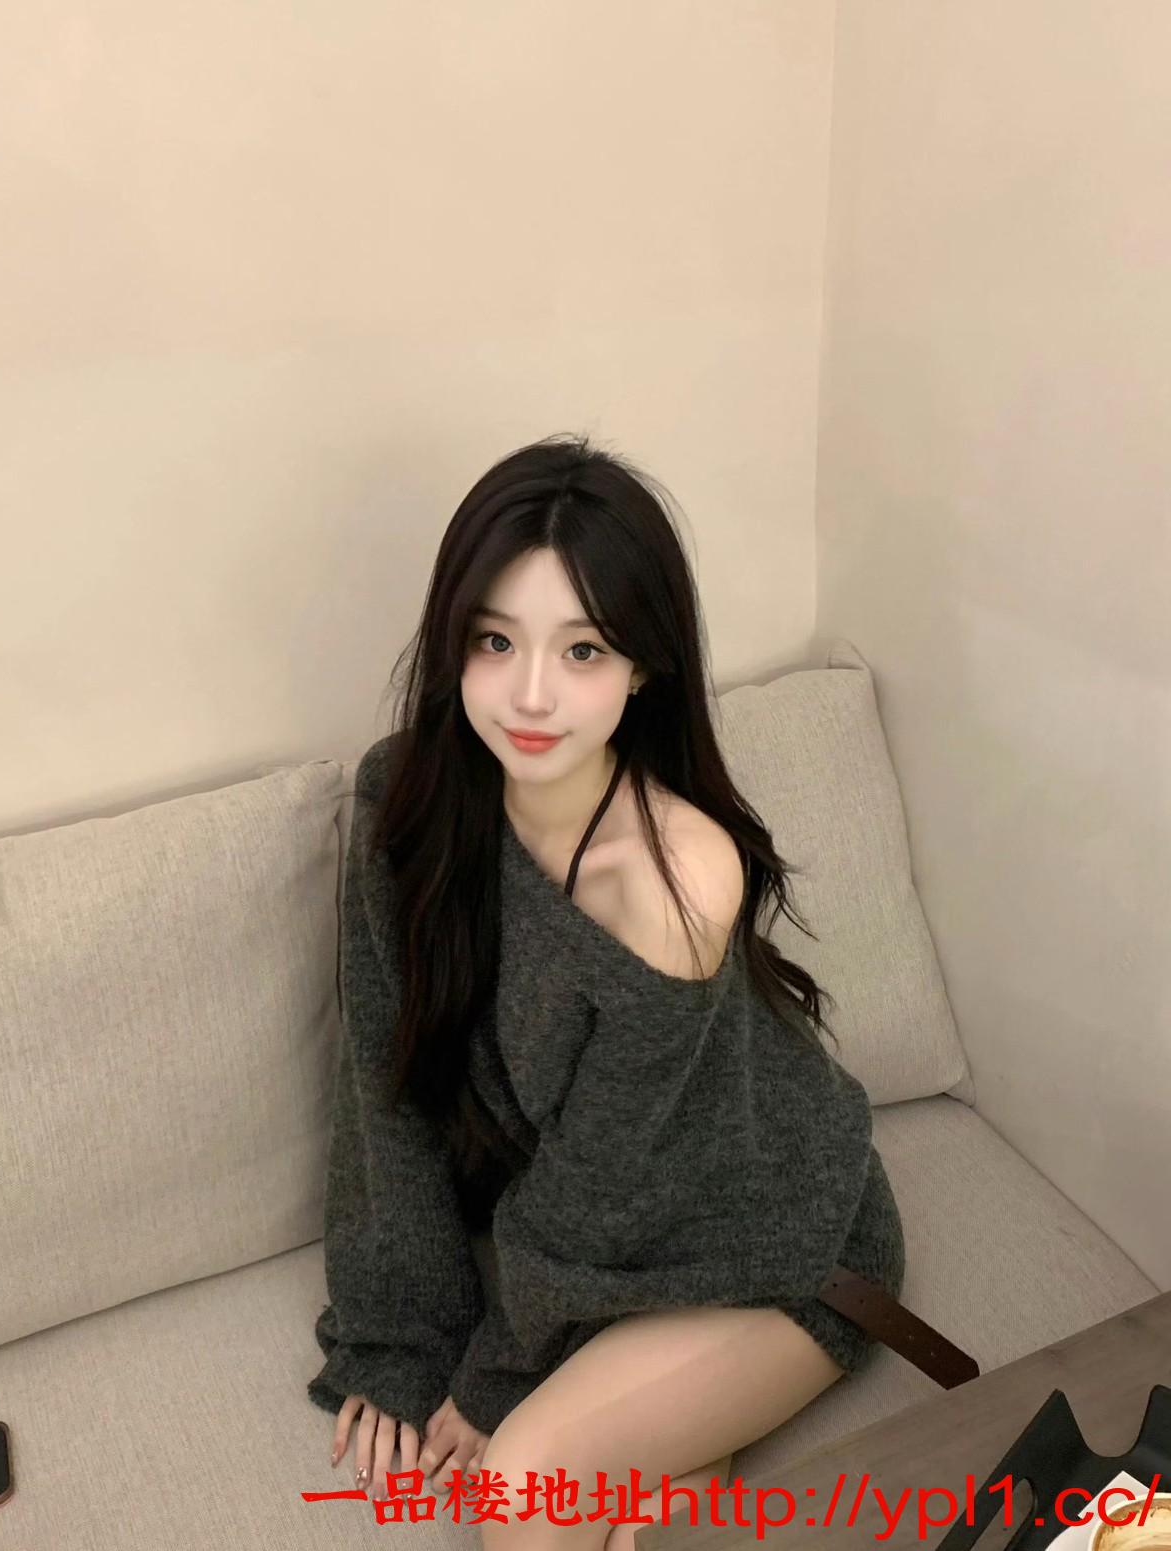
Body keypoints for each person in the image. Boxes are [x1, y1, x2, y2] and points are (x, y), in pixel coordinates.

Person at [307, 433, 906, 1549]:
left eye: (583, 649)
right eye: (496, 640)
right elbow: (383, 1083)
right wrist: (400, 1337)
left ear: (643, 667)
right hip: (602, 1257)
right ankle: (679, 1495)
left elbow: (604, 1187)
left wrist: (491, 1377)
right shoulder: (404, 804)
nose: (532, 693)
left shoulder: (674, 879)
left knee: (515, 1499)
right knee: (605, 1516)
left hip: (777, 1243)